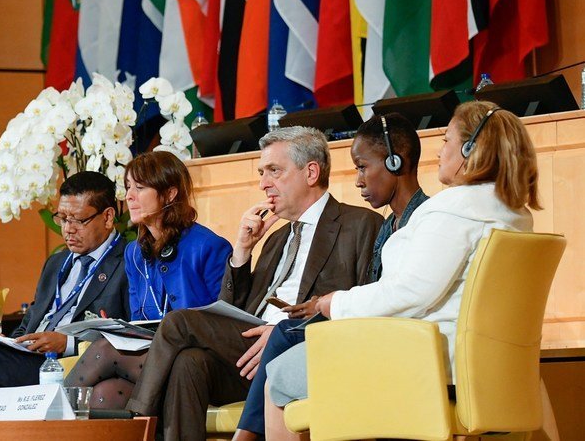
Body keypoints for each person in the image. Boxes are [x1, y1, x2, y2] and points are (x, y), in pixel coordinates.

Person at [261, 102, 539, 441]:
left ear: (470, 149)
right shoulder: (516, 216)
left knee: (280, 375)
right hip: (481, 368)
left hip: (424, 362)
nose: (440, 151)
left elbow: (411, 293)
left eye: (447, 140)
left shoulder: (452, 211)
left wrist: (334, 303)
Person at [124, 126, 384, 440]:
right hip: (249, 351)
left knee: (179, 327)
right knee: (188, 363)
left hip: (299, 346)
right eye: (262, 172)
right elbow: (229, 312)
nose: (263, 184)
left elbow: (365, 305)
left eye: (274, 171)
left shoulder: (359, 224)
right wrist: (242, 253)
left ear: (311, 172)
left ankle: (137, 421)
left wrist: (283, 332)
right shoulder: (274, 240)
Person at [232, 113, 428, 440]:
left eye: (363, 167)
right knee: (186, 345)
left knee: (281, 343)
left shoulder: (392, 223)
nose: (357, 180)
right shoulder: (277, 238)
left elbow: (393, 297)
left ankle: (243, 437)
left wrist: (328, 303)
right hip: (264, 342)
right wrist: (241, 252)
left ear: (395, 163)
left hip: (372, 343)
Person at [0, 171, 131, 420]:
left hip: (69, 360)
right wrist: (8, 342)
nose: (68, 230)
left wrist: (67, 342)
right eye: (62, 219)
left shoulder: (127, 261)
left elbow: (126, 330)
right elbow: (31, 321)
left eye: (78, 221)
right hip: (31, 355)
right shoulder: (57, 262)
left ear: (107, 217)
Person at [63, 151, 233, 410]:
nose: (129, 196)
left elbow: (219, 326)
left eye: (140, 188)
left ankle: (49, 419)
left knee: (104, 350)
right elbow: (138, 319)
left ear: (170, 194)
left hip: (197, 360)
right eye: (128, 187)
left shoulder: (210, 246)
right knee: (105, 393)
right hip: (151, 353)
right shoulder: (134, 252)